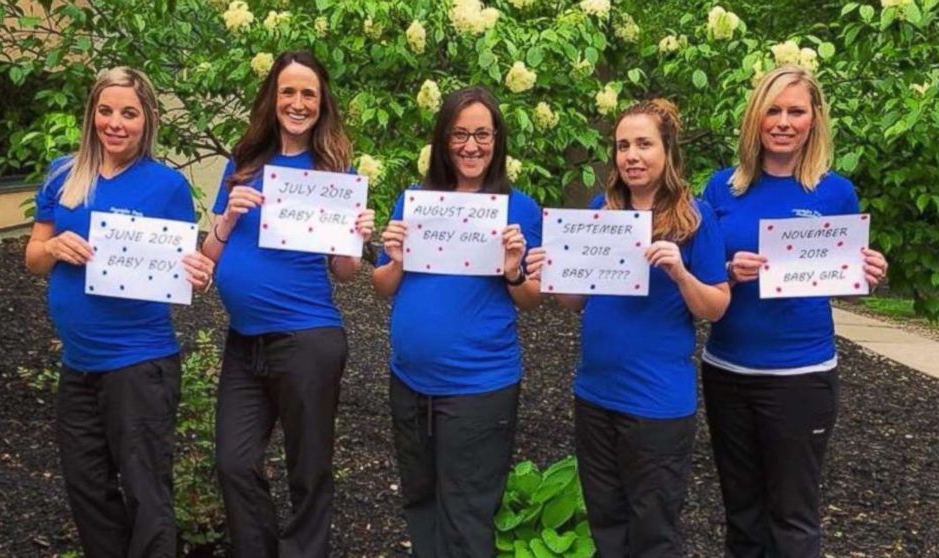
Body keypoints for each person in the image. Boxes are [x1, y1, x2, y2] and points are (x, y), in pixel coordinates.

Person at [526, 98, 730, 557]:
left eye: (643, 144)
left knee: (653, 531)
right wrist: (550, 273)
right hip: (596, 395)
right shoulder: (601, 210)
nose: (631, 156)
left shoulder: (695, 219)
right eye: (622, 146)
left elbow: (716, 306)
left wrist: (680, 273)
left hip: (656, 403)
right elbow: (575, 302)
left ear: (668, 151)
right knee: (606, 524)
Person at [700, 65, 889, 557]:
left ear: (814, 120)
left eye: (796, 111)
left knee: (793, 517)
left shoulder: (834, 192)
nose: (783, 122)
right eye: (774, 110)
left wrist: (868, 274)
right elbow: (701, 279)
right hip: (727, 370)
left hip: (801, 374)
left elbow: (845, 285)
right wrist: (726, 267)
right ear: (756, 118)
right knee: (741, 515)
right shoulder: (722, 189)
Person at [24, 66, 214, 557]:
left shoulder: (166, 186)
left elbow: (181, 263)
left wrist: (198, 270)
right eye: (105, 111)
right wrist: (54, 248)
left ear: (147, 118)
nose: (115, 123)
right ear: (92, 115)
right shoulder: (63, 175)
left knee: (147, 492)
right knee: (87, 490)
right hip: (78, 364)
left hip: (139, 363)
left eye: (128, 113)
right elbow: (33, 256)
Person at [199, 51, 374, 558]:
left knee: (308, 468)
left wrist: (356, 236)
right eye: (288, 93)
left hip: (307, 341)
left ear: (322, 105)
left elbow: (344, 273)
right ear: (272, 100)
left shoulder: (333, 173)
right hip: (244, 342)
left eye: (309, 94)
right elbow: (208, 261)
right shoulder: (243, 164)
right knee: (233, 461)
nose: (298, 103)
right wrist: (227, 218)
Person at [371, 86, 542, 557]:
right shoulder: (416, 202)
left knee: (467, 514)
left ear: (497, 140)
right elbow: (382, 285)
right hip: (409, 383)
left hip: (479, 388)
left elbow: (531, 299)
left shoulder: (519, 208)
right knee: (419, 501)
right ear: (444, 140)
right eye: (460, 134)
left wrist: (513, 268)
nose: (471, 145)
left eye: (482, 134)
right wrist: (395, 258)